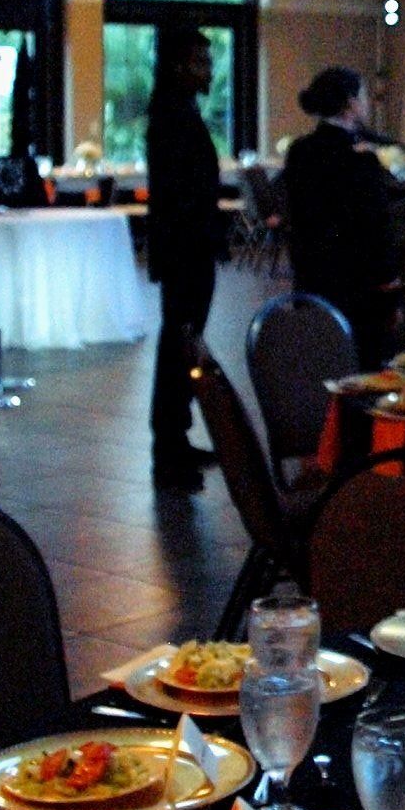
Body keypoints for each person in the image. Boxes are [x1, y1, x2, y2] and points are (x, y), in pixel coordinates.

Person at [144, 25, 226, 490]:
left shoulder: (179, 110)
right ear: (179, 65)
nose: (208, 70)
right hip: (185, 251)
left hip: (188, 249)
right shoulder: (173, 116)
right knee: (178, 346)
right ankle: (168, 449)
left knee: (181, 344)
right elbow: (180, 194)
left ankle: (176, 437)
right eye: (201, 62)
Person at [284, 66, 400, 361]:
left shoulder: (299, 151)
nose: (366, 105)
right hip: (357, 291)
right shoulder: (361, 161)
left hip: (311, 283)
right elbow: (378, 231)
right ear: (350, 104)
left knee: (321, 364)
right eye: (362, 97)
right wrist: (390, 290)